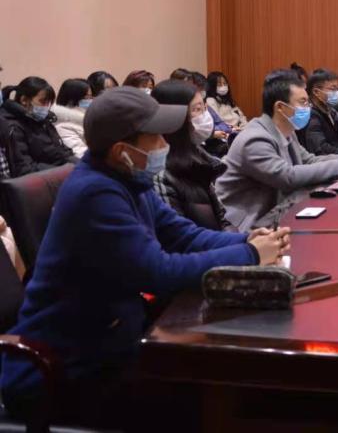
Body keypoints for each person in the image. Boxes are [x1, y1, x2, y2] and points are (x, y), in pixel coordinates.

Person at [0, 87, 289, 426]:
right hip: (67, 368)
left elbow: (183, 235)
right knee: (214, 394)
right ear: (122, 151)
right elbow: (158, 272)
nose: (165, 145)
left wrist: (248, 239)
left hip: (110, 340)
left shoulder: (127, 179)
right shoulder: (95, 193)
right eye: (156, 138)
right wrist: (250, 254)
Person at [216, 70, 338, 231]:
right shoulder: (254, 138)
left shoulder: (287, 130)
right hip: (248, 226)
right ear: (280, 107)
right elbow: (287, 177)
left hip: (277, 211)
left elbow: (308, 160)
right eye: (303, 102)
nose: (308, 108)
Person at [152, 79, 234, 231]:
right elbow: (180, 236)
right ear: (173, 118)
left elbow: (223, 219)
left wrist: (244, 240)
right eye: (197, 110)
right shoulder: (160, 174)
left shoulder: (198, 156)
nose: (205, 116)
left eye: (204, 108)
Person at [0, 77, 75, 176]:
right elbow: (25, 169)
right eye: (43, 102)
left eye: (49, 103)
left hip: (60, 173)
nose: (46, 107)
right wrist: (64, 171)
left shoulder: (43, 120)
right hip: (42, 180)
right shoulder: (13, 126)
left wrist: (78, 164)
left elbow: (63, 152)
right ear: (24, 100)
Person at [301, 69, 338, 156]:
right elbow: (321, 148)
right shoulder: (310, 115)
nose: (336, 93)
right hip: (326, 161)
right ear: (316, 92)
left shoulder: (332, 112)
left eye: (337, 89)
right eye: (333, 89)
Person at [52, 78, 93, 158]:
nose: (90, 100)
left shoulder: (88, 118)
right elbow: (80, 154)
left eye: (91, 96)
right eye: (86, 97)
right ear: (71, 99)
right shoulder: (62, 126)